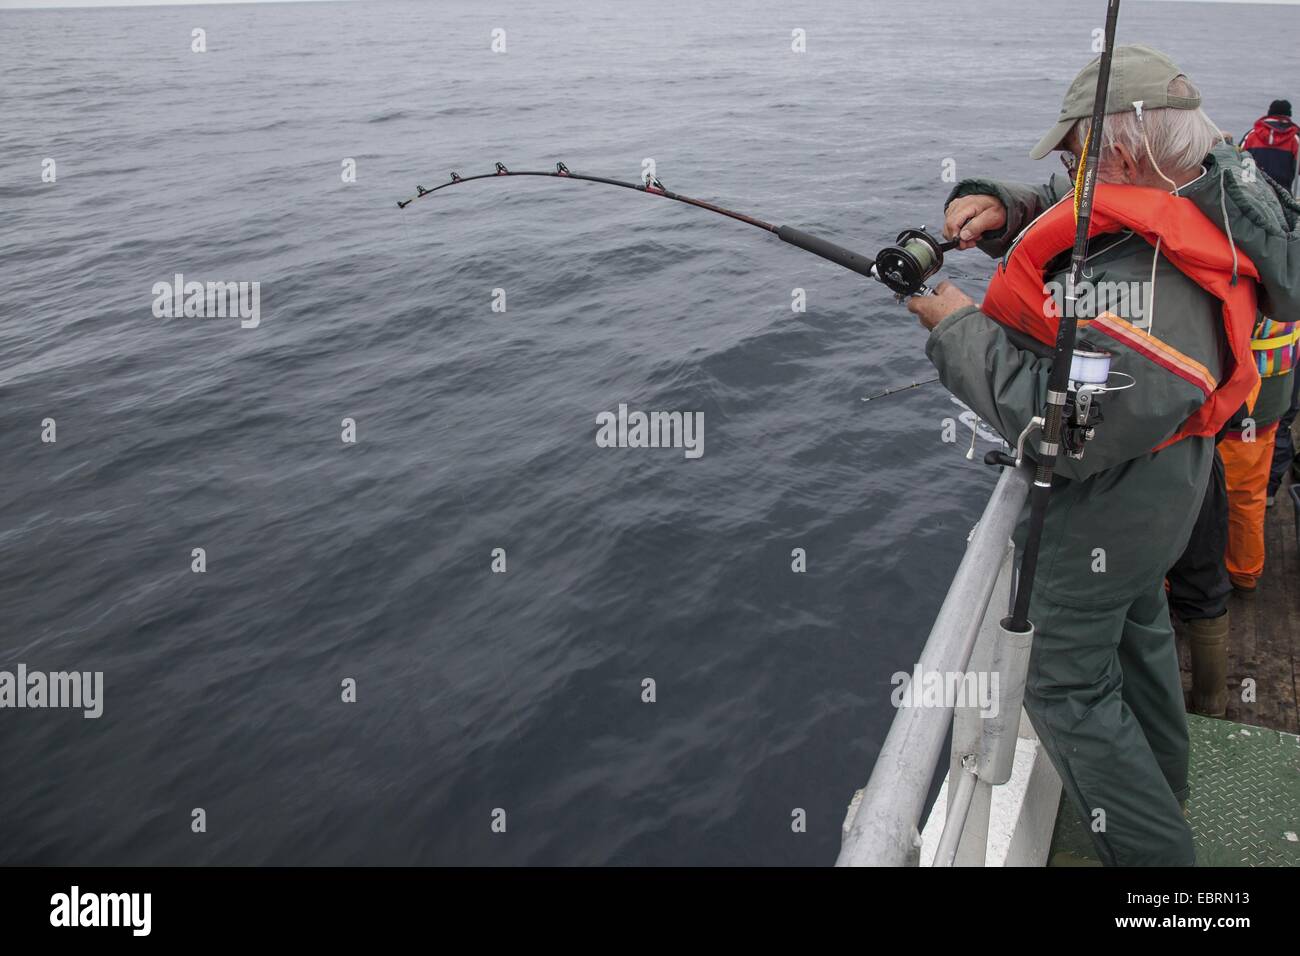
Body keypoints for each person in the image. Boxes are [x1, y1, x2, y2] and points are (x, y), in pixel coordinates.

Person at [906, 45, 1300, 865]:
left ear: (1125, 148)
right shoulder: (1195, 189)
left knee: (1064, 687)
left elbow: (1068, 431)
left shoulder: (1157, 288)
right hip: (1168, 490)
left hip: (1115, 499)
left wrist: (954, 327)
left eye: (1074, 149)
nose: (1065, 165)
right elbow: (1070, 203)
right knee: (1137, 626)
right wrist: (1000, 205)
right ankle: (1165, 786)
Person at [1240, 99, 1298, 192]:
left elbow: (1237, 160)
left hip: (1254, 193)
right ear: (1288, 115)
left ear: (1269, 113)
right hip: (1283, 195)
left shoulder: (1251, 135)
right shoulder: (1295, 139)